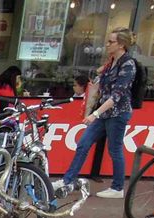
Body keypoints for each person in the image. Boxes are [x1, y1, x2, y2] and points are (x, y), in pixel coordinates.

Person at [56, 28, 137, 199]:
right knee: (83, 144)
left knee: (114, 149)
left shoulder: (128, 64)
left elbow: (117, 95)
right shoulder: (111, 62)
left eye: (111, 42)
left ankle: (117, 187)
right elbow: (100, 83)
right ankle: (68, 180)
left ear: (121, 44)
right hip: (104, 113)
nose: (107, 45)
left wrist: (95, 114)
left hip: (117, 113)